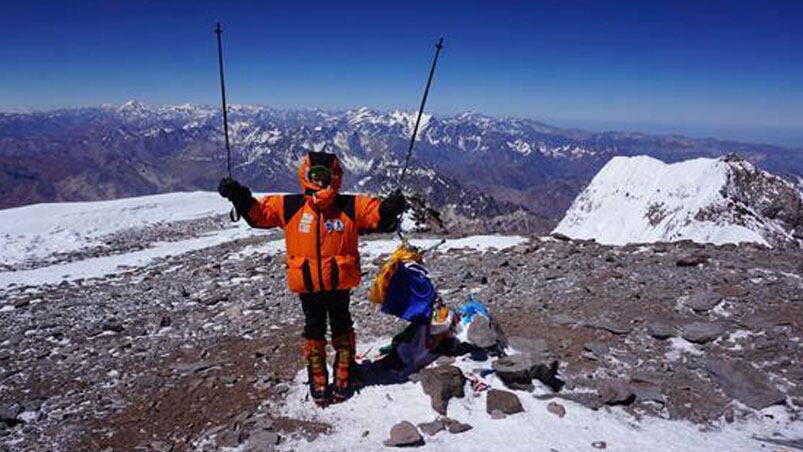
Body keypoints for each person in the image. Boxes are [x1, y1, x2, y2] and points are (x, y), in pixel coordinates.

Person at [218, 151, 406, 406]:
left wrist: (388, 209)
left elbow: (376, 215)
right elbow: (259, 214)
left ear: (334, 178)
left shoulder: (349, 206)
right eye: (314, 175)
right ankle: (318, 375)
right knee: (314, 328)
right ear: (305, 176)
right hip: (309, 285)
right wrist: (239, 196)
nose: (319, 181)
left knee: (341, 326)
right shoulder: (291, 205)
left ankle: (344, 371)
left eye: (324, 176)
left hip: (337, 285)